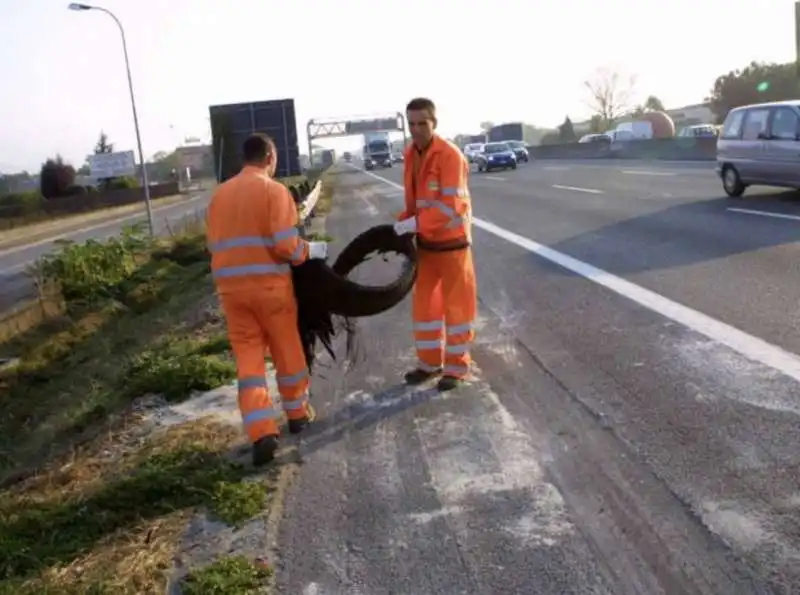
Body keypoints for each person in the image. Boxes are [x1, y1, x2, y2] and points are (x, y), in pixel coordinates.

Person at [206, 133, 328, 466]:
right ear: (270, 157)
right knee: (286, 349)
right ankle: (297, 415)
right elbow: (287, 246)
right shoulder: (274, 192)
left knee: (249, 364)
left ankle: (261, 431)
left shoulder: (219, 197)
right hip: (270, 290)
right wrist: (310, 251)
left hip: (232, 293)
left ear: (243, 159)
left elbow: (213, 246)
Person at [393, 97, 477, 391]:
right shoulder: (410, 155)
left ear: (434, 123)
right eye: (411, 124)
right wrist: (404, 222)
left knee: (457, 310)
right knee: (425, 309)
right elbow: (415, 201)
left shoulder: (450, 155)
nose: (416, 129)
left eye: (422, 123)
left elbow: (452, 205)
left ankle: (456, 368)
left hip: (453, 246)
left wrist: (415, 224)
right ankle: (430, 364)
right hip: (426, 247)